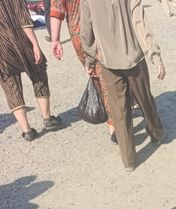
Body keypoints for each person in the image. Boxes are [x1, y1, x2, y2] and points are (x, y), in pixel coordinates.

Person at [80, 0, 166, 171]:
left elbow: (86, 29)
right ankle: (156, 132)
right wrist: (154, 55)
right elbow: (139, 21)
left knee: (119, 110)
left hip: (108, 60)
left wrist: (89, 58)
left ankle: (128, 160)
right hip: (134, 56)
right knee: (145, 99)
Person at [49, 0, 115, 142]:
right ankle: (115, 121)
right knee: (110, 75)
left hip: (80, 34)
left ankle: (113, 124)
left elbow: (57, 10)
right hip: (105, 27)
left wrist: (55, 39)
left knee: (99, 76)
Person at [0, 0, 63, 141]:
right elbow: (23, 18)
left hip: (2, 47)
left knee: (9, 83)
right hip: (21, 40)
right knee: (38, 71)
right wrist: (35, 44)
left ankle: (27, 130)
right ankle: (47, 118)